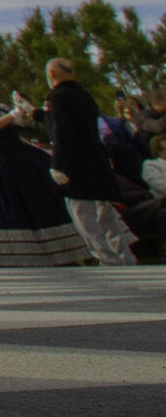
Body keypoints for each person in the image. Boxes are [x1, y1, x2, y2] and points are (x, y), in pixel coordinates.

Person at [0, 68, 85, 266]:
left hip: (18, 152)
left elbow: (21, 127)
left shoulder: (3, 106)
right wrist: (14, 113)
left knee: (39, 194)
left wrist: (24, 114)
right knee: (8, 200)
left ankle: (56, 249)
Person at [44, 59, 136, 266]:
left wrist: (57, 164)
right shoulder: (84, 95)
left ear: (51, 74)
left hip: (74, 164)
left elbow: (62, 131)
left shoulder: (57, 97)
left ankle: (107, 259)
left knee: (84, 216)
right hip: (96, 160)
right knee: (106, 214)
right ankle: (125, 258)